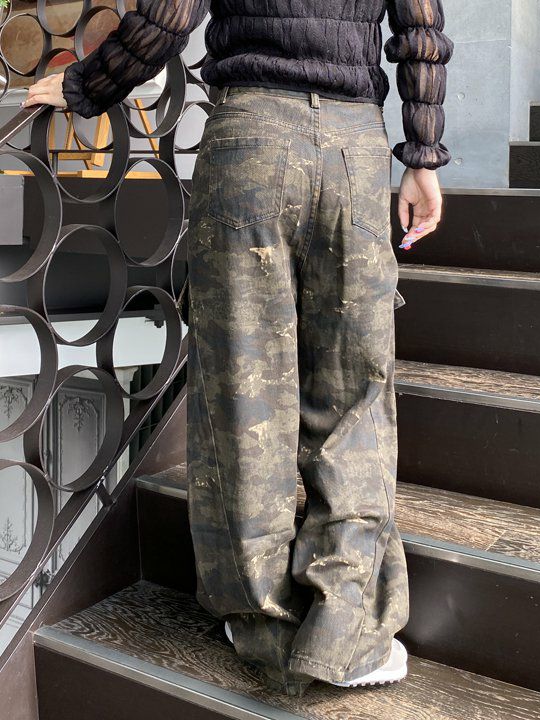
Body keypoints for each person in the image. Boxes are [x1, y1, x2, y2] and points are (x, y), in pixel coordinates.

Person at [24, 0, 452, 698]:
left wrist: (84, 85)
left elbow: (167, 18)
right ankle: (349, 629)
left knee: (245, 394)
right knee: (356, 397)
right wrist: (423, 157)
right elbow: (420, 29)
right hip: (355, 147)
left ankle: (264, 621)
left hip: (249, 139)